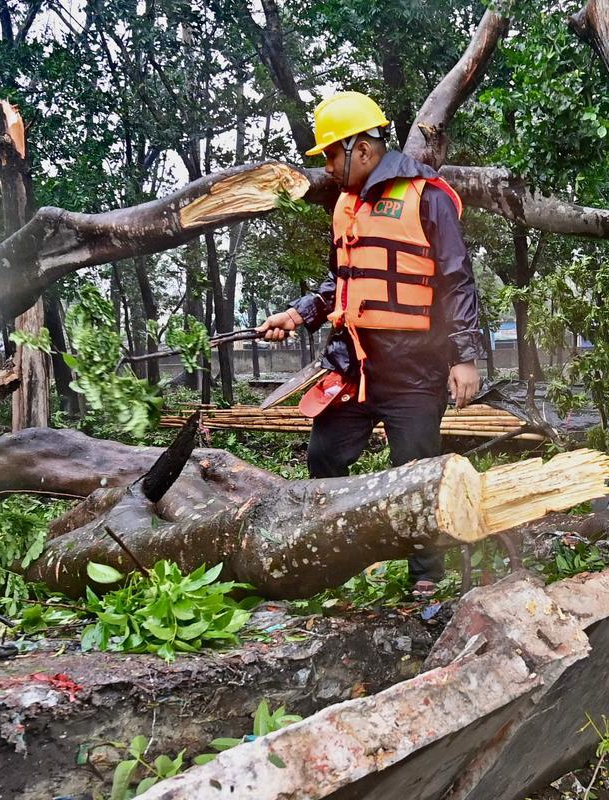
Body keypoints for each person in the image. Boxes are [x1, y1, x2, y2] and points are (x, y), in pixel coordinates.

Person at [259, 91, 485, 597]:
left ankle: (426, 580)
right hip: (355, 364)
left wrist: (465, 357)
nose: (330, 168)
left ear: (362, 149)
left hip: (416, 368)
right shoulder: (347, 205)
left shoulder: (427, 196)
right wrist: (299, 313)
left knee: (416, 476)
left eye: (333, 156)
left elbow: (457, 280)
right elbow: (342, 281)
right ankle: (334, 564)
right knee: (325, 456)